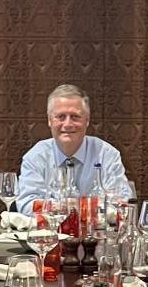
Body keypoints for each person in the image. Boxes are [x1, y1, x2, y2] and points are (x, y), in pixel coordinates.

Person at [16, 84, 129, 212]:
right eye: (61, 117)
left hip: (95, 231)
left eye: (75, 117)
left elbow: (120, 202)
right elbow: (26, 205)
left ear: (87, 120)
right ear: (49, 120)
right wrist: (81, 207)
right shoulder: (36, 157)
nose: (68, 124)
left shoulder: (107, 154)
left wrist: (56, 208)